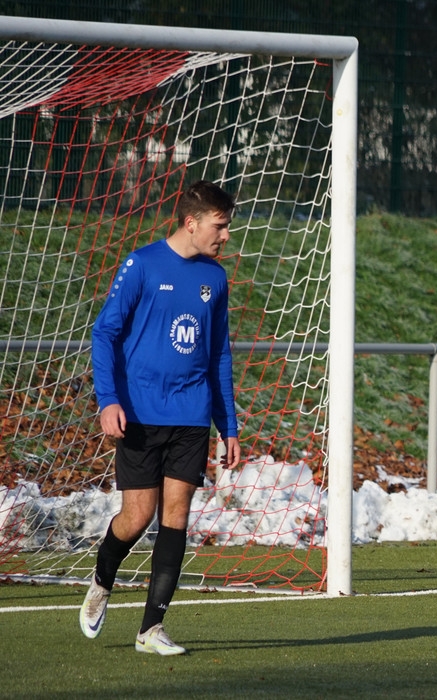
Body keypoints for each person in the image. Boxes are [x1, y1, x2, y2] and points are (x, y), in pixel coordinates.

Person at [80, 180, 242, 656]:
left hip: (191, 415)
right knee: (137, 517)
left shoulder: (216, 279)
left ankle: (151, 629)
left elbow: (219, 355)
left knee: (176, 515)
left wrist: (228, 426)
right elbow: (104, 333)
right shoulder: (142, 265)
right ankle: (102, 579)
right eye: (220, 226)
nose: (226, 236)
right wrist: (108, 400)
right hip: (139, 413)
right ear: (191, 223)